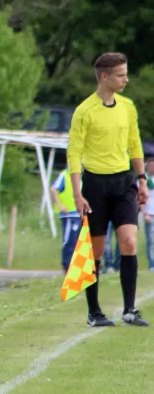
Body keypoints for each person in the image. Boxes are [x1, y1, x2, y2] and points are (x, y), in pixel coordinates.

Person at [67, 52, 149, 327]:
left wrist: (142, 180)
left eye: (126, 73)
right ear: (104, 77)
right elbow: (74, 152)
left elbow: (135, 144)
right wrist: (77, 193)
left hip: (123, 182)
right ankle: (94, 312)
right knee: (97, 250)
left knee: (129, 242)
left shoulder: (128, 107)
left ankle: (129, 309)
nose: (126, 79)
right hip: (94, 185)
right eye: (120, 75)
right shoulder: (85, 111)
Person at [50, 169, 82, 273]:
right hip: (69, 214)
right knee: (69, 240)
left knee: (79, 241)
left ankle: (77, 265)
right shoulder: (65, 175)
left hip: (80, 213)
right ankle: (67, 265)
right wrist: (59, 205)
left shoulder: (81, 176)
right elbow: (53, 189)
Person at [142, 159, 154, 272]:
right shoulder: (144, 179)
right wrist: (144, 213)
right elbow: (140, 198)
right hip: (149, 213)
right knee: (151, 240)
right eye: (151, 166)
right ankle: (152, 264)